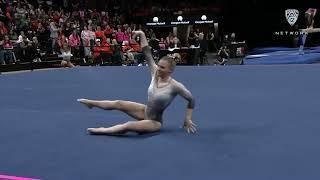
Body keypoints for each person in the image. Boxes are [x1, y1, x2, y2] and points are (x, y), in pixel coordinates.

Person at [77, 30, 197, 135]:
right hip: (143, 111)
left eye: (162, 68)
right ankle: (91, 103)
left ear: (170, 70)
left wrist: (187, 118)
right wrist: (142, 34)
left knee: (128, 125)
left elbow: (191, 100)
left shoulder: (175, 86)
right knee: (119, 103)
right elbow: (147, 53)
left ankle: (102, 130)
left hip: (154, 122)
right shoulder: (155, 73)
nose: (158, 69)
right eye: (159, 66)